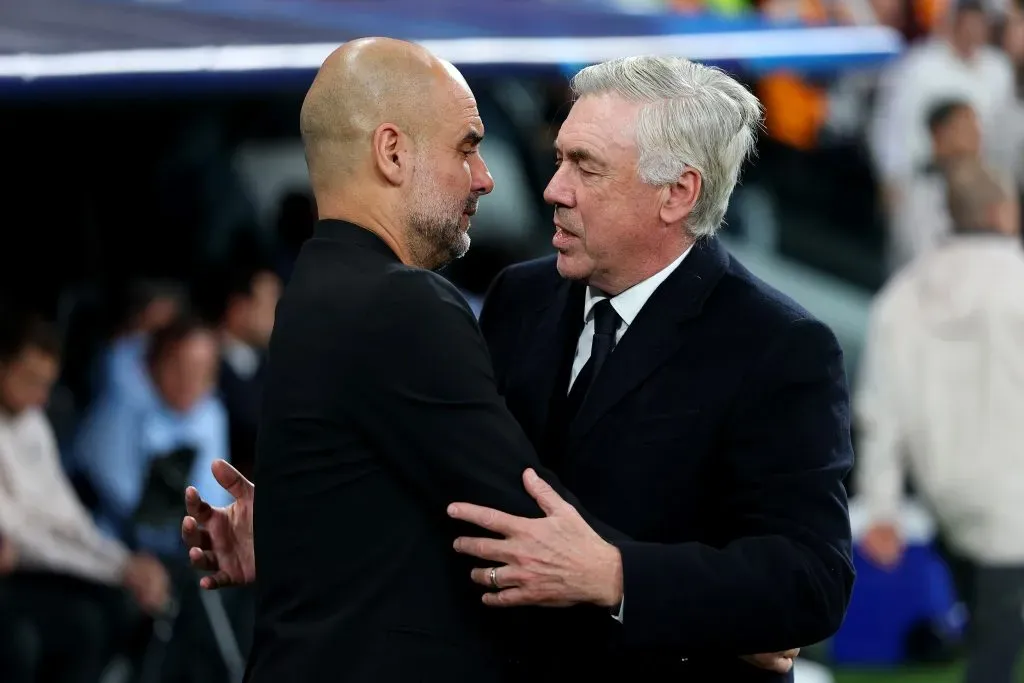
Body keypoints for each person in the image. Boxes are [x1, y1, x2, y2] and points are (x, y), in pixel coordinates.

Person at [182, 42, 842, 681]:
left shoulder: (777, 345)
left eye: (586, 167)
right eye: (558, 159)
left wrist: (623, 577)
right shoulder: (520, 298)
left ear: (675, 193)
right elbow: (465, 506)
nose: (553, 188)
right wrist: (306, 528)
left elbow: (810, 581)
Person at [856, 159, 1024, 683]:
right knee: (997, 645)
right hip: (1014, 493)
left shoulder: (903, 296)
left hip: (946, 495)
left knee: (987, 630)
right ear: (1004, 212)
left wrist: (881, 504)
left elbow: (878, 409)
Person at [0, 312, 169, 683]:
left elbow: (66, 518)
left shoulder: (32, 422)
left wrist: (123, 562)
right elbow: (22, 537)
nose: (41, 397)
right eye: (30, 380)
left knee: (127, 604)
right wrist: (115, 569)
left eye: (47, 384)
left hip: (41, 565)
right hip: (20, 573)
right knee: (79, 625)